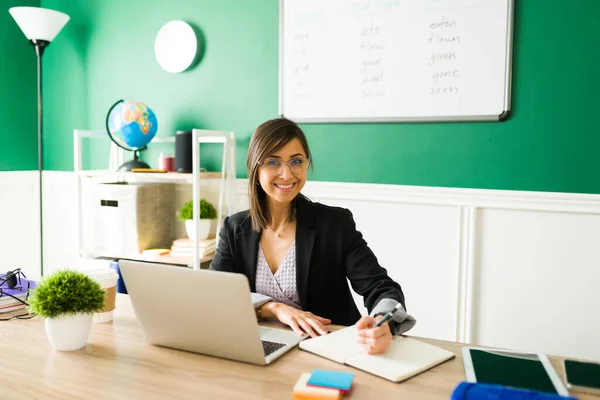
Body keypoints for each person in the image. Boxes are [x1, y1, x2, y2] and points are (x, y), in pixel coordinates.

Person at [210, 118, 415, 354]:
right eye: (273, 162)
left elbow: (381, 288)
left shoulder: (335, 224)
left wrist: (383, 323)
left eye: (296, 161)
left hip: (328, 350)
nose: (286, 174)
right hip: (257, 348)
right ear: (255, 170)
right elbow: (216, 295)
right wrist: (272, 308)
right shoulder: (234, 228)